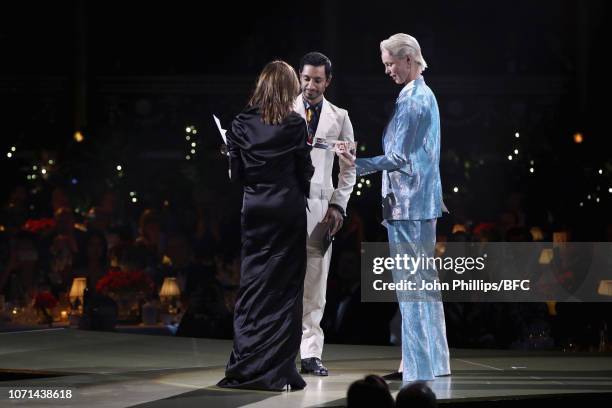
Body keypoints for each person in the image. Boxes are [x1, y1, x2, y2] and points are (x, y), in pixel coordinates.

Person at [342, 33, 450, 382]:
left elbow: (397, 158)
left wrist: (353, 162)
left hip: (408, 204)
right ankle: (433, 363)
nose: (387, 70)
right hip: (423, 201)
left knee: (411, 286)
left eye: (390, 64)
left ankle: (416, 368)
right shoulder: (425, 95)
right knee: (425, 285)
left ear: (409, 60)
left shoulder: (412, 100)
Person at [217, 60, 314, 391]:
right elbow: (306, 172)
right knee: (286, 290)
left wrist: (230, 152)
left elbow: (237, 175)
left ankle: (247, 365)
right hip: (287, 211)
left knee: (254, 288)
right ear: (289, 89)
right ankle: (279, 371)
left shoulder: (241, 123)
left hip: (256, 212)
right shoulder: (295, 124)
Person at [294, 51, 356, 376]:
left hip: (321, 208)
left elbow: (349, 169)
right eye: (306, 78)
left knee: (315, 284)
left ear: (327, 81)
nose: (311, 85)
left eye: (317, 79)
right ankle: (279, 348)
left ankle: (311, 354)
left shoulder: (340, 117)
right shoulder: (286, 110)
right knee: (283, 282)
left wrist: (338, 205)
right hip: (287, 206)